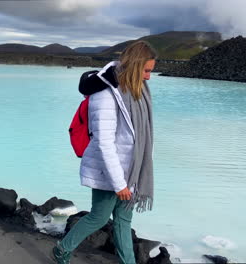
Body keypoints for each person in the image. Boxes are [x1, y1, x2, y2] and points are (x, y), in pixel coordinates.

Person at [52, 40, 157, 264]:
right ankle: (62, 248)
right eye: (146, 71)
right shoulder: (105, 94)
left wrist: (134, 175)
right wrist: (119, 183)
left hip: (130, 171)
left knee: (123, 220)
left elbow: (140, 137)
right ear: (136, 66)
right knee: (99, 217)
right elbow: (104, 142)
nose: (148, 77)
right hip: (108, 170)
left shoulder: (136, 92)